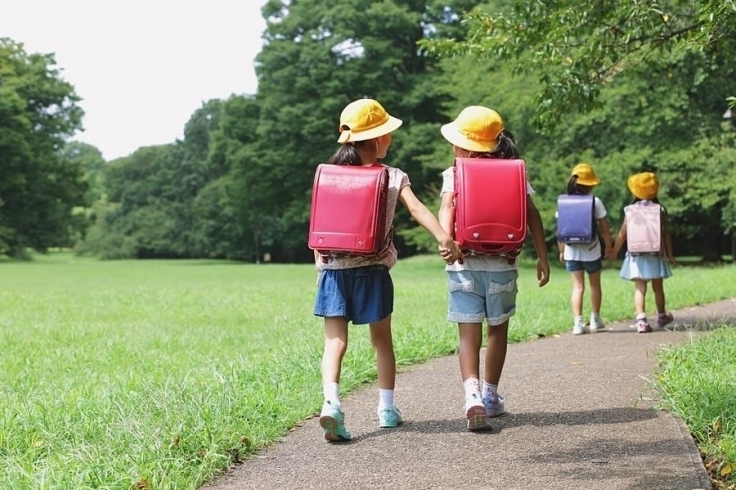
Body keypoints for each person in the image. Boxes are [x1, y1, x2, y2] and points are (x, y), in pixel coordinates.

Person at [314, 98, 462, 441]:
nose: (390, 138)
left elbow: (319, 227)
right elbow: (417, 209)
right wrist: (444, 237)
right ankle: (386, 408)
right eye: (387, 133)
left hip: (333, 271)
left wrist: (320, 270)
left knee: (335, 342)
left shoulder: (328, 175)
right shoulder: (393, 176)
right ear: (378, 139)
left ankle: (331, 403)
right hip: (373, 271)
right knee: (382, 342)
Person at [438, 106, 550, 431]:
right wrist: (542, 256)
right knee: (498, 330)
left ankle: (471, 394)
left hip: (463, 265)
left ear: (467, 147)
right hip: (503, 267)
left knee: (468, 335)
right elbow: (533, 216)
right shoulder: (514, 172)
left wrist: (446, 241)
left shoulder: (454, 173)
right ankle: (490, 395)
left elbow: (447, 207)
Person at [606, 172, 676, 333]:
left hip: (636, 256)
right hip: (656, 255)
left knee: (640, 288)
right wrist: (670, 255)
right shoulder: (659, 210)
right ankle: (661, 316)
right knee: (658, 289)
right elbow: (665, 234)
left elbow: (623, 234)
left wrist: (614, 251)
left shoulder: (630, 210)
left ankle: (641, 320)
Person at [556, 163, 613, 335]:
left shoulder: (564, 202)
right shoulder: (595, 202)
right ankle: (595, 320)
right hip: (592, 251)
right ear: (590, 185)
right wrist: (609, 247)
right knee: (595, 286)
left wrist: (561, 251)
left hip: (571, 252)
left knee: (577, 287)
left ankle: (578, 323)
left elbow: (561, 230)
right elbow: (604, 228)